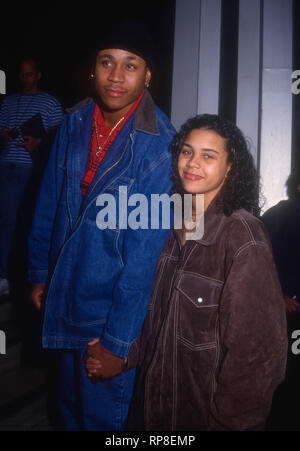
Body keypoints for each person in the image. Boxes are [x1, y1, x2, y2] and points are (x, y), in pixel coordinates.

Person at [86, 114, 288, 430]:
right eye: (187, 151)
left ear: (230, 166)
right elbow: (154, 316)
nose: (193, 163)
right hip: (150, 409)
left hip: (203, 417)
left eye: (209, 156)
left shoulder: (243, 238)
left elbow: (258, 357)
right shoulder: (165, 224)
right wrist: (122, 354)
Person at [28, 22, 175, 431]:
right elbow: (49, 204)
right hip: (63, 298)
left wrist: (118, 343)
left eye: (131, 66)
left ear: (147, 76)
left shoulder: (160, 146)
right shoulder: (74, 123)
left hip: (107, 315)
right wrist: (41, 274)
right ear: (93, 69)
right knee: (67, 413)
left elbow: (144, 260)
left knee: (101, 422)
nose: (115, 75)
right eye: (107, 62)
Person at [0, 57, 63, 298]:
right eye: (22, 74)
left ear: (38, 75)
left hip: (35, 170)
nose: (25, 79)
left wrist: (39, 142)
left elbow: (59, 137)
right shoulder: (9, 101)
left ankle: (32, 277)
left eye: (29, 74)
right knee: (7, 223)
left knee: (32, 224)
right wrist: (4, 134)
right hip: (8, 164)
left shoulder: (49, 102)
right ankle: (5, 275)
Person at [262, 172, 300, 430]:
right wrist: (278, 295)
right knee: (287, 391)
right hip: (287, 320)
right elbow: (255, 266)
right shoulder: (278, 217)